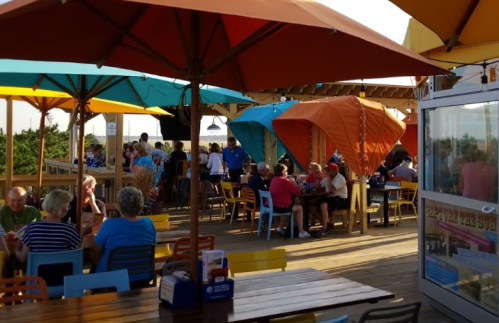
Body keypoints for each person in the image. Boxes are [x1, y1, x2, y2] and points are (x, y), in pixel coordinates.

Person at [92, 187, 156, 285]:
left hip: (112, 279)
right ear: (140, 204)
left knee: (93, 268)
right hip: (143, 277)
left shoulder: (109, 224)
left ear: (119, 205)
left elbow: (96, 250)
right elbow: (153, 245)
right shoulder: (149, 223)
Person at [16, 190, 93, 264]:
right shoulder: (69, 229)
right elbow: (77, 255)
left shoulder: (31, 228)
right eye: (67, 206)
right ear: (63, 208)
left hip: (38, 276)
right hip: (63, 275)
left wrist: (16, 250)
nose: (68, 209)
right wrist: (83, 234)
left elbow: (23, 258)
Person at [268, 163, 310, 238]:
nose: (287, 173)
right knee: (299, 207)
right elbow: (297, 192)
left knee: (289, 210)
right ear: (283, 172)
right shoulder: (284, 181)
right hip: (280, 206)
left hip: (273, 205)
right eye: (286, 171)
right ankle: (301, 231)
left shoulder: (274, 179)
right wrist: (294, 182)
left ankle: (280, 228)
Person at [310, 163, 347, 237]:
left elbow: (331, 189)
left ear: (334, 171)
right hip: (329, 197)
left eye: (328, 170)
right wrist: (318, 178)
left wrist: (328, 177)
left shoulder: (340, 178)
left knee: (323, 205)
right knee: (311, 208)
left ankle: (324, 229)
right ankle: (327, 224)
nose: (327, 172)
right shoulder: (327, 177)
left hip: (340, 199)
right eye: (326, 170)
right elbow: (318, 187)